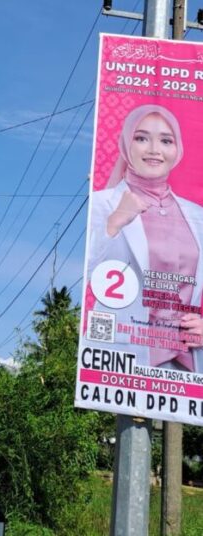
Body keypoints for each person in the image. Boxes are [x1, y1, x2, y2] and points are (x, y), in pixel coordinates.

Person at [88, 104, 203, 370]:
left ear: (178, 149)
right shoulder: (103, 204)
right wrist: (115, 222)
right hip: (126, 354)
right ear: (127, 144)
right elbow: (92, 274)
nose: (154, 149)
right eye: (141, 138)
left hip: (188, 362)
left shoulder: (197, 215)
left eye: (166, 140)